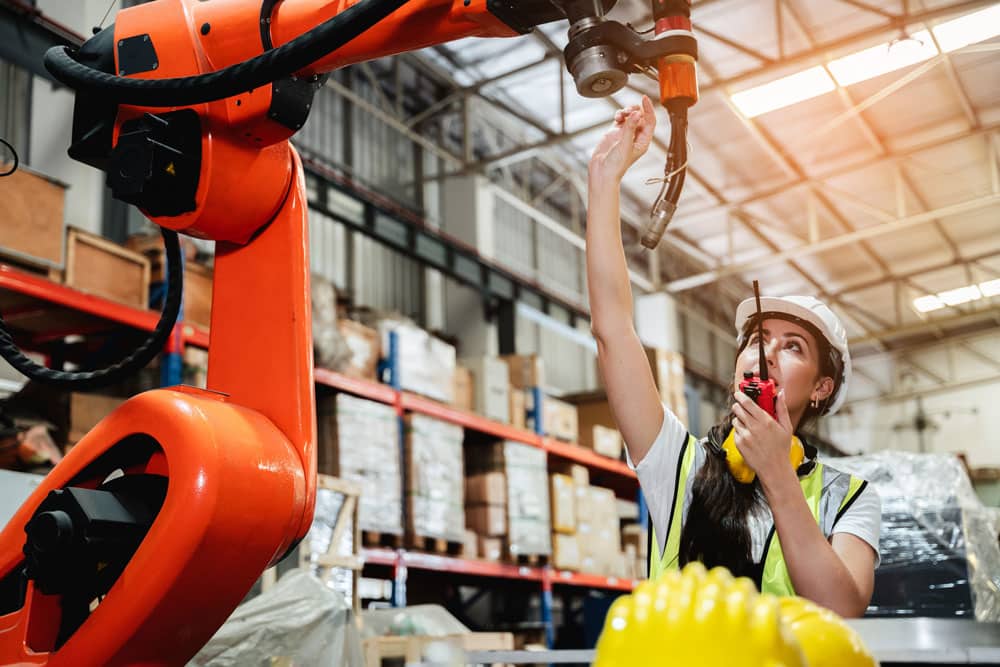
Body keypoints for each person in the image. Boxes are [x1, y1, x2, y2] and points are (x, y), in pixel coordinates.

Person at [586, 96, 880, 617]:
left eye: (793, 347)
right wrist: (605, 180)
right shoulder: (678, 466)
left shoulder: (848, 496)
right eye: (757, 339)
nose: (765, 354)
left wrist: (777, 472)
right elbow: (613, 331)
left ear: (821, 387)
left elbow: (841, 611)